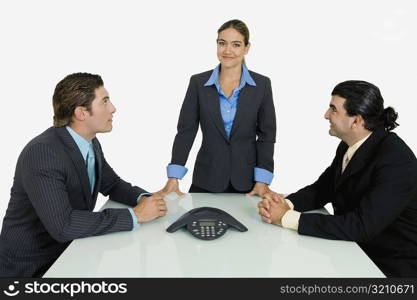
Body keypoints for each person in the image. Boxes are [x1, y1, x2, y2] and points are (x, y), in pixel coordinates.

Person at [0, 73, 167, 277]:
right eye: (104, 102)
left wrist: (146, 199)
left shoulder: (89, 142)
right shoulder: (43, 152)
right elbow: (64, 225)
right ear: (81, 113)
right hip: (33, 266)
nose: (113, 108)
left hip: (70, 251)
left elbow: (112, 184)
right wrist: (136, 215)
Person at [258, 80, 417, 277]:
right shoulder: (349, 144)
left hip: (389, 267)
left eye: (333, 109)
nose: (326, 115)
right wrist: (284, 203)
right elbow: (322, 189)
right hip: (353, 253)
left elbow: (362, 226)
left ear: (356, 121)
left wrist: (286, 218)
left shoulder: (397, 160)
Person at [159, 19, 277, 197]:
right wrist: (174, 176)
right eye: (222, 43)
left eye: (236, 44)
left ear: (246, 48)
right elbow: (186, 131)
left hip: (248, 181)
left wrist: (263, 179)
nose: (227, 50)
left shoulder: (262, 85)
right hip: (206, 179)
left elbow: (267, 135)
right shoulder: (198, 83)